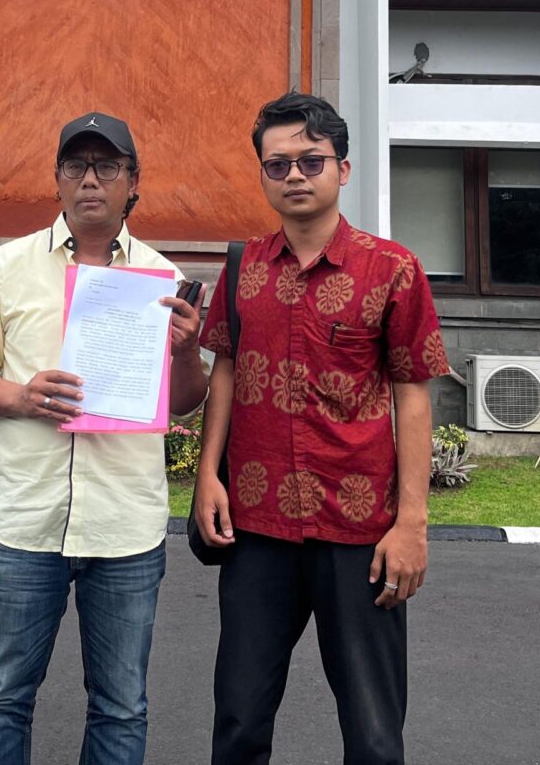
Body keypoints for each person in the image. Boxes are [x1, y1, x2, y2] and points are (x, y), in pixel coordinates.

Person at [194, 91, 449, 765]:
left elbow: (413, 397)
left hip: (359, 531)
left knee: (373, 733)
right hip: (257, 528)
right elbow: (225, 370)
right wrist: (206, 477)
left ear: (343, 169)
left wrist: (412, 525)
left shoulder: (392, 269)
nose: (295, 176)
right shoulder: (243, 268)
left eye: (312, 160)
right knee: (239, 721)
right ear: (263, 175)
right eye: (277, 165)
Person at [0, 111, 208, 765]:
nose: (90, 180)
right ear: (58, 179)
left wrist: (184, 351)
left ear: (132, 181)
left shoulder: (161, 277)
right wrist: (20, 397)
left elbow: (186, 401)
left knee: (120, 705)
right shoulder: (7, 266)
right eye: (76, 166)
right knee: (3, 695)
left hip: (124, 527)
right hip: (25, 520)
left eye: (107, 166)